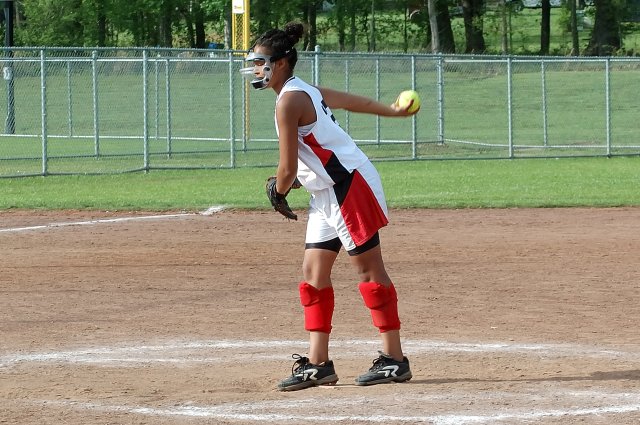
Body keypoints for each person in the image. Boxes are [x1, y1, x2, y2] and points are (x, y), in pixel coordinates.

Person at [240, 22, 419, 392]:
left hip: (349, 186)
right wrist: (393, 111)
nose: (255, 69)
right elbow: (352, 102)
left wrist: (278, 190)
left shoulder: (290, 100)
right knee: (313, 275)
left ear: (281, 63)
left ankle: (394, 360)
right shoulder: (301, 90)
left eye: (260, 62)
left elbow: (287, 168)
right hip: (326, 193)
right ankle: (318, 364)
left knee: (369, 272)